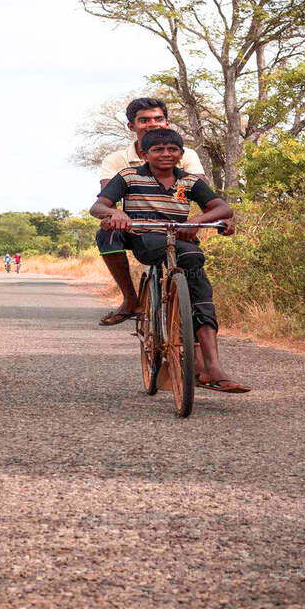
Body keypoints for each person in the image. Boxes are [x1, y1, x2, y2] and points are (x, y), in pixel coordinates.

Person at [90, 128, 249, 393]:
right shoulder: (129, 176)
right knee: (113, 237)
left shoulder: (188, 181)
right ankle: (135, 302)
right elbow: (98, 207)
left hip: (182, 242)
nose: (166, 154)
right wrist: (115, 214)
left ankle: (214, 368)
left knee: (201, 288)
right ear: (144, 154)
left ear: (180, 154)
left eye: (172, 149)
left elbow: (223, 207)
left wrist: (197, 220)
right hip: (144, 238)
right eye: (158, 149)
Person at [96, 97, 207, 326]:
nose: (153, 124)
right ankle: (130, 299)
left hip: (174, 226)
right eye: (144, 120)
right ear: (132, 126)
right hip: (134, 226)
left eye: (158, 118)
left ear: (167, 122)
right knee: (106, 235)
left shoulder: (186, 155)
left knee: (193, 272)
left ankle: (194, 324)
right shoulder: (116, 160)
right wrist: (114, 215)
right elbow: (106, 200)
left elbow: (200, 188)